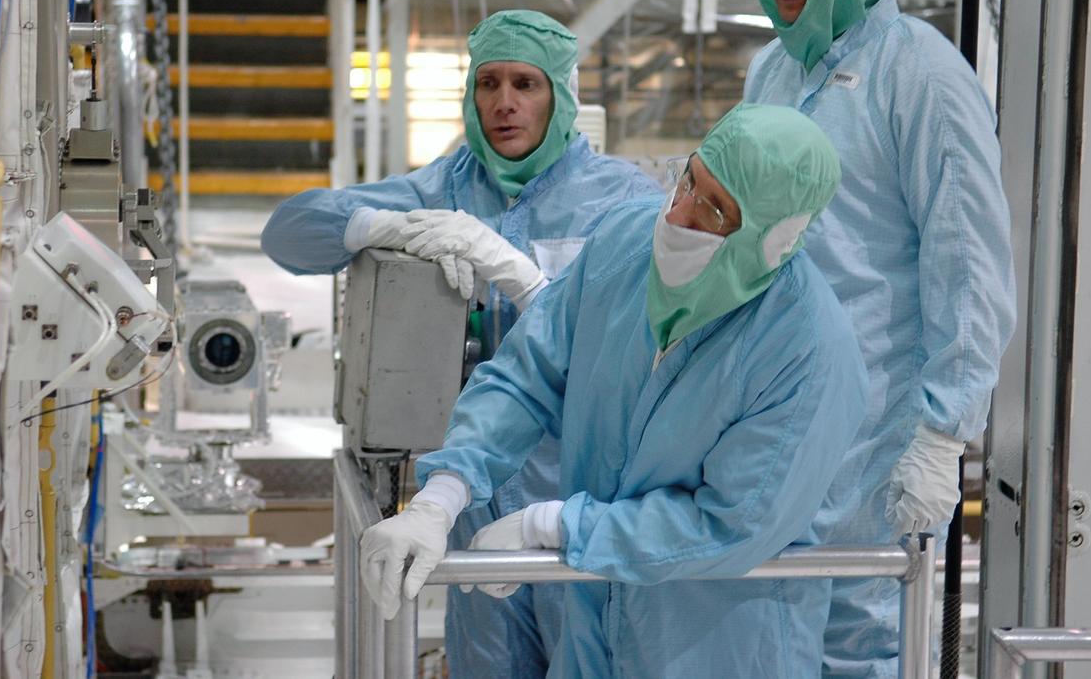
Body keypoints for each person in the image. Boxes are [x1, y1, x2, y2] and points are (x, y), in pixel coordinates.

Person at [359, 103, 870, 677]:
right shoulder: (627, 241)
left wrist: (553, 526)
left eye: (715, 210)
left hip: (717, 644)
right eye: (689, 180)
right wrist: (440, 498)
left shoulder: (806, 349)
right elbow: (528, 372)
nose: (679, 215)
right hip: (594, 626)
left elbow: (731, 524)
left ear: (774, 240)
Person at [262, 10, 661, 677]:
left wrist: (527, 281)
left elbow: (642, 351)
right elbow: (287, 232)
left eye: (526, 84)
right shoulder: (444, 190)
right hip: (469, 495)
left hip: (581, 493)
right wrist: (382, 225)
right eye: (489, 83)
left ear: (560, 97)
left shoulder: (623, 201)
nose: (504, 103)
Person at [742, 0, 1016, 677]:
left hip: (875, 441)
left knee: (868, 645)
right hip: (773, 428)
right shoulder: (773, 72)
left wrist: (941, 430)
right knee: (770, 637)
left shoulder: (922, 73)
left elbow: (968, 266)